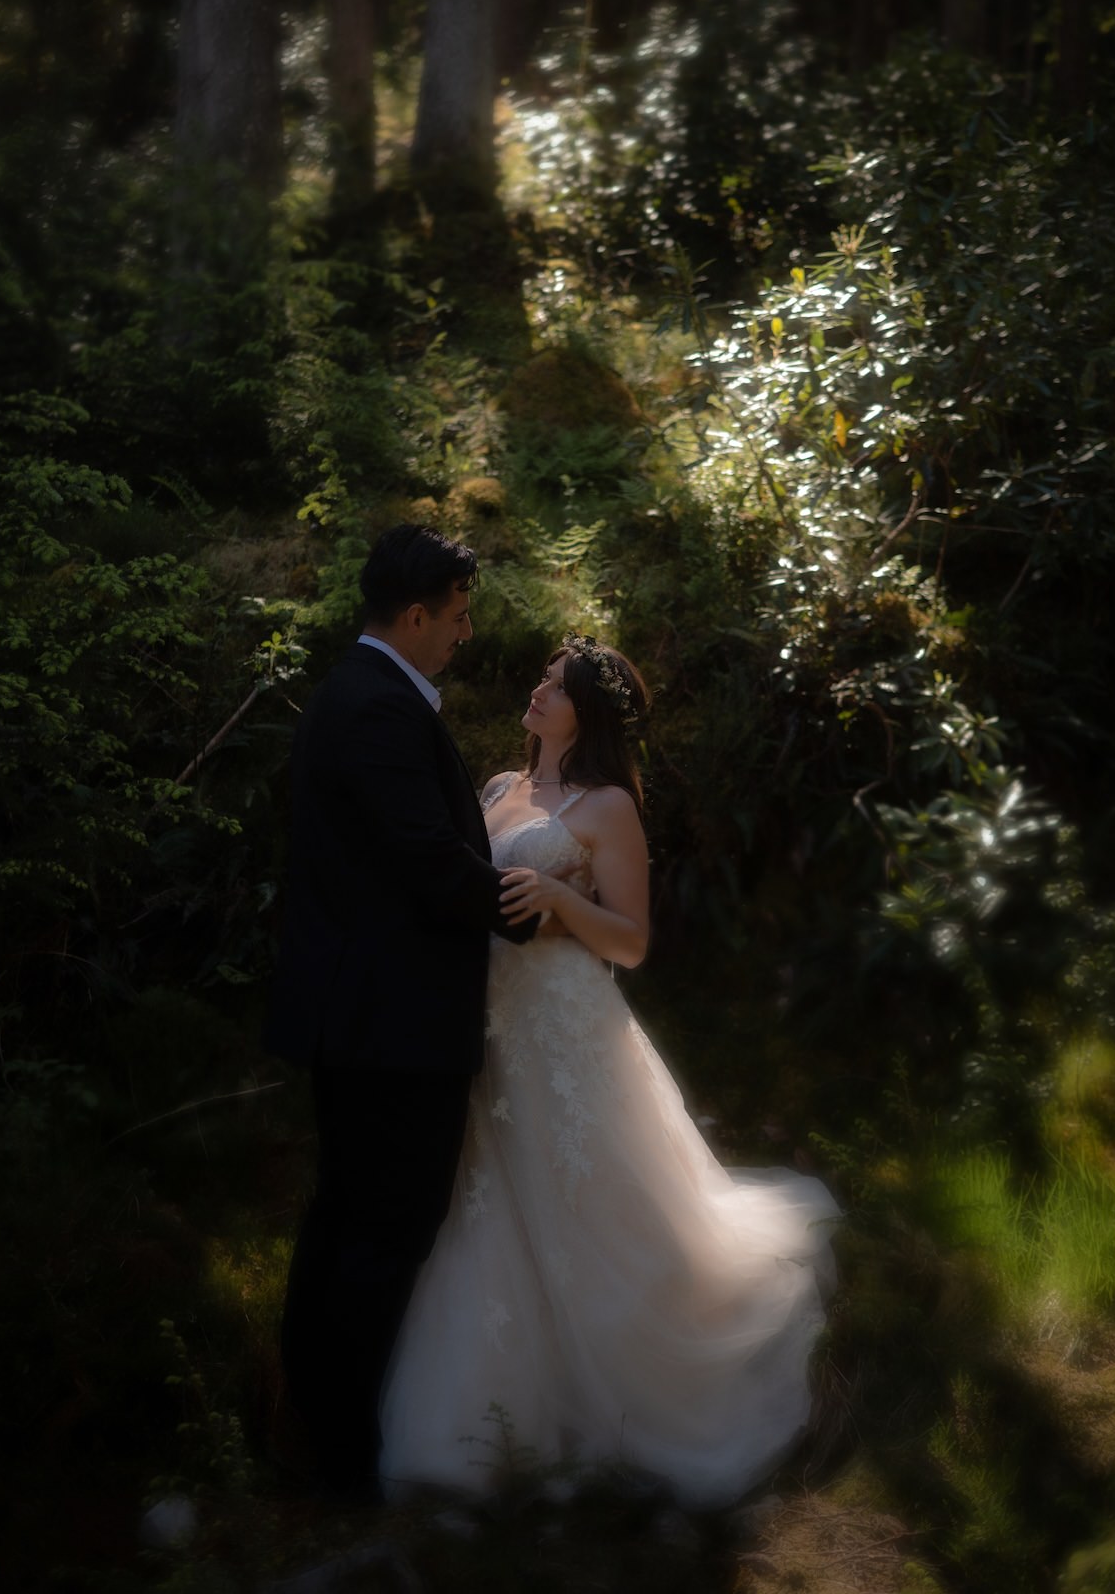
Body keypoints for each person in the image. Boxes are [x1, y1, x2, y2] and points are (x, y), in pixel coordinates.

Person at [379, 634, 840, 1507]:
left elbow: (629, 942)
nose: (537, 690)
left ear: (585, 713)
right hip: (481, 1016)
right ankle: (495, 1405)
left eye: (555, 685)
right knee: (486, 1192)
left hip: (559, 1022)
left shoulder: (608, 807)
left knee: (579, 1190)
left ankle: (621, 1384)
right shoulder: (497, 789)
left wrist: (561, 898)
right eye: (543, 678)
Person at [267, 524, 551, 1503]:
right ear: (417, 614)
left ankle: (311, 1423)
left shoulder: (356, 694)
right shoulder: (378, 707)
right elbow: (429, 859)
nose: (465, 635)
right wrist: (533, 912)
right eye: (459, 616)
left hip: (364, 1014)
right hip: (388, 1024)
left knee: (347, 1215)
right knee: (385, 1227)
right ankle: (340, 1457)